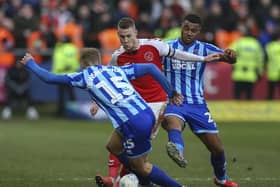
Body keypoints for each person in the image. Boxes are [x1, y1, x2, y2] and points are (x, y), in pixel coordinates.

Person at [19, 49, 192, 187]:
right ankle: (142, 180)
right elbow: (151, 68)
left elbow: (50, 78)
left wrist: (30, 63)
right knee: (113, 146)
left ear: (83, 64)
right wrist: (171, 92)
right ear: (99, 61)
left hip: (133, 122)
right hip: (144, 113)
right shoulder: (116, 69)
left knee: (142, 166)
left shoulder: (84, 76)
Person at [94, 17, 222, 187]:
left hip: (155, 106)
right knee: (114, 146)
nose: (125, 41)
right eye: (122, 37)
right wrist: (97, 102)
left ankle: (129, 180)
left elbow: (177, 54)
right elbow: (108, 79)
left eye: (128, 36)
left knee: (134, 153)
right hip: (135, 107)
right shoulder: (118, 56)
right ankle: (132, 179)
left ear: (136, 33)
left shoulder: (154, 45)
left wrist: (202, 59)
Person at [161, 14, 238, 187]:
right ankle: (178, 152)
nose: (189, 33)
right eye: (186, 28)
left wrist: (232, 56)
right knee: (173, 124)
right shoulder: (167, 47)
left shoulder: (205, 48)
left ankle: (221, 179)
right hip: (174, 101)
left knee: (217, 148)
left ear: (199, 32)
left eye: (193, 30)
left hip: (197, 104)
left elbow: (228, 58)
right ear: (181, 27)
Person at [230, 25, 264, 100]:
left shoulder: (239, 42)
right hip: (250, 75)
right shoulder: (256, 44)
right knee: (249, 97)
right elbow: (260, 59)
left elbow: (229, 53)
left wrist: (232, 65)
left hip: (238, 73)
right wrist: (260, 71)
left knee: (237, 97)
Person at [52, 35, 80, 117]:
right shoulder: (61, 47)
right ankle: (65, 111)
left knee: (67, 94)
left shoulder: (68, 48)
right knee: (67, 94)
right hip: (64, 73)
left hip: (66, 73)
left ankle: (69, 112)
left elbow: (71, 60)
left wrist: (66, 66)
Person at [265, 32, 280, 100]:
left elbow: (266, 58)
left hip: (272, 71)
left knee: (271, 90)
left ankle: (269, 102)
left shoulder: (268, 46)